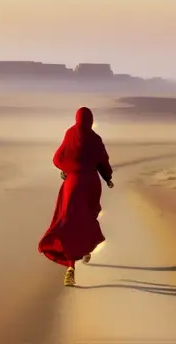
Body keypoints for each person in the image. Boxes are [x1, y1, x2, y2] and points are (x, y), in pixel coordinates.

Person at [38, 107, 114, 286]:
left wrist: (67, 169)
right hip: (91, 184)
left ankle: (70, 267)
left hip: (73, 185)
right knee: (88, 216)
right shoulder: (95, 139)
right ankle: (86, 249)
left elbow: (57, 158)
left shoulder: (70, 134)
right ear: (90, 119)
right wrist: (108, 178)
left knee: (69, 221)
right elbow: (103, 161)